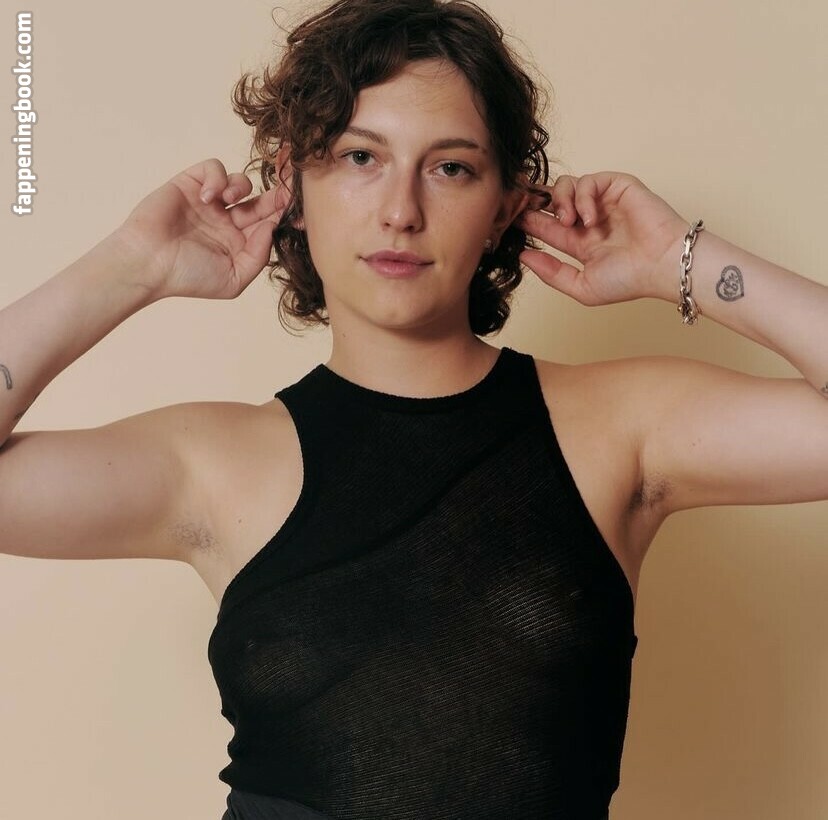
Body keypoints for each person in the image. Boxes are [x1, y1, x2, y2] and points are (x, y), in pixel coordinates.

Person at [1, 0, 825, 817]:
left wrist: (681, 258)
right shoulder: (209, 462)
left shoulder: (624, 427)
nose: (400, 210)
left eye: (451, 167)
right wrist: (133, 266)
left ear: (505, 206)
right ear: (292, 186)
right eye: (360, 156)